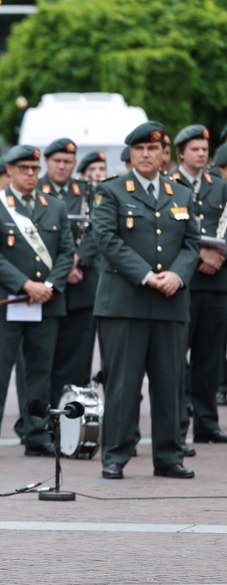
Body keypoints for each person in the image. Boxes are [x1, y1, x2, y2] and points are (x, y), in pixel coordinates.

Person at [92, 121, 199, 479]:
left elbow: (192, 243)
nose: (146, 155)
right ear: (131, 154)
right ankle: (116, 454)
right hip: (125, 302)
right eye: (139, 149)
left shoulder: (180, 194)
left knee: (169, 383)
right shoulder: (111, 192)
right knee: (123, 383)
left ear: (164, 153)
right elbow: (106, 239)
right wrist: (146, 275)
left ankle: (168, 456)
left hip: (170, 302)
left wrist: (178, 274)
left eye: (153, 149)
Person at [0, 144, 75, 459]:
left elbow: (66, 251)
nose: (30, 174)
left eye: (34, 169)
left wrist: (49, 285)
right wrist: (26, 285)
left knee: (39, 372)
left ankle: (36, 433)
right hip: (10, 300)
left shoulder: (54, 206)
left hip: (46, 301)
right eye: (24, 169)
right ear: (10, 172)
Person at [168, 125, 227, 447]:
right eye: (195, 149)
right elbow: (164, 235)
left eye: (205, 148)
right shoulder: (169, 186)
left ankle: (207, 423)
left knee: (209, 357)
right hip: (183, 283)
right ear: (181, 153)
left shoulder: (219, 187)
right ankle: (177, 426)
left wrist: (218, 256)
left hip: (217, 281)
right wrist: (198, 256)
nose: (202, 153)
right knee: (176, 358)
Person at [37, 138, 98, 408]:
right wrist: (64, 268)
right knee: (41, 359)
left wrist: (78, 259)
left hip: (81, 285)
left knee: (77, 358)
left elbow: (100, 231)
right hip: (45, 286)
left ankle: (73, 416)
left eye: (67, 162)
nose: (62, 167)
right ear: (47, 163)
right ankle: (39, 421)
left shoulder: (88, 191)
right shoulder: (35, 190)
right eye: (57, 161)